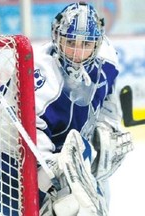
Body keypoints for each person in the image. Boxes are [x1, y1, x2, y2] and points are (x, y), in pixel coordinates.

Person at [33, 2, 133, 216]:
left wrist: (107, 128)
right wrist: (53, 171)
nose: (78, 52)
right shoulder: (42, 73)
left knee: (98, 202)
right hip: (42, 160)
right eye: (70, 41)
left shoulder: (107, 61)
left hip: (80, 153)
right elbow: (32, 134)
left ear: (97, 44)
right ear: (56, 37)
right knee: (66, 206)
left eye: (86, 44)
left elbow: (108, 101)